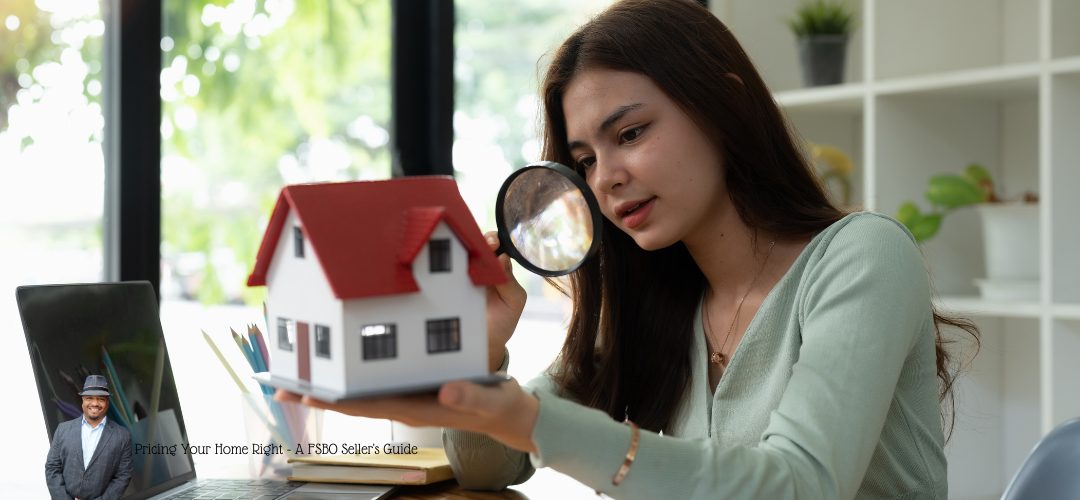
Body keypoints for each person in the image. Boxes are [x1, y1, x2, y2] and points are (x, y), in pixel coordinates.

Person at [277, 0, 978, 497]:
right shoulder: (657, 304)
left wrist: (526, 417)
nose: (605, 177)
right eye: (583, 159)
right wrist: (479, 353)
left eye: (632, 133)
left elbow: (799, 486)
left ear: (722, 107)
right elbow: (489, 469)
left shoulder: (862, 258)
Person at [45, 375, 133, 500]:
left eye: (100, 399)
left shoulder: (122, 436)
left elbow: (123, 476)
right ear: (83, 401)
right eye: (89, 398)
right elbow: (52, 468)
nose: (95, 403)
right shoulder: (63, 430)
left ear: (107, 402)